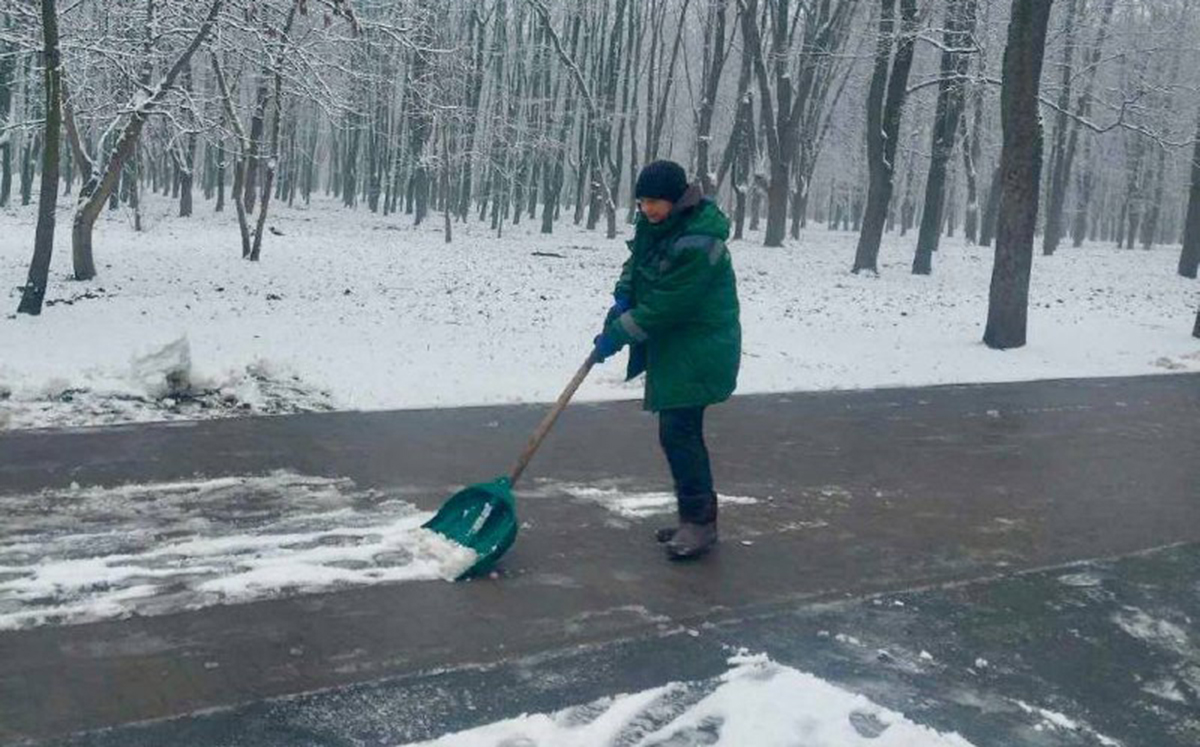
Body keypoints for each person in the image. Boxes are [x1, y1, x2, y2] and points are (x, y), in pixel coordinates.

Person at [593, 160, 741, 560]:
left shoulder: (700, 242)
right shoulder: (658, 227)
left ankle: (700, 524)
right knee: (677, 433)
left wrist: (618, 334)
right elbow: (637, 267)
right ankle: (693, 520)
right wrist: (622, 298)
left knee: (680, 432)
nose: (648, 210)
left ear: (675, 200)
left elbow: (666, 307)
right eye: (642, 202)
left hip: (699, 349)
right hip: (678, 348)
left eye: (655, 202)